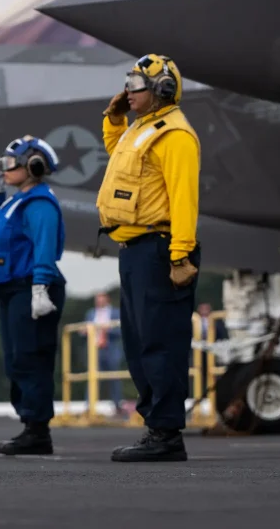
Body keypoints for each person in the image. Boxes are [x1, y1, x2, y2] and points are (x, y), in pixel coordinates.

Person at [96, 53, 201, 463]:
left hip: (161, 251)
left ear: (162, 90)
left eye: (135, 86)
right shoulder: (140, 129)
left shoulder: (175, 135)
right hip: (134, 251)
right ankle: (155, 427)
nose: (128, 92)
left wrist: (180, 256)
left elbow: (184, 199)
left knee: (161, 344)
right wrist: (114, 116)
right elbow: (117, 153)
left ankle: (167, 434)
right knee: (140, 346)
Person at [0, 135, 66, 455]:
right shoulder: (19, 199)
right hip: (14, 289)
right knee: (17, 359)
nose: (4, 168)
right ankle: (30, 425)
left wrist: (40, 287)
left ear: (33, 166)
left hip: (30, 286)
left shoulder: (40, 202)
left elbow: (44, 247)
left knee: (31, 358)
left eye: (11, 163)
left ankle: (37, 429)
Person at [82, 292, 124, 415]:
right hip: (94, 350)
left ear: (107, 300)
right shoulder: (90, 313)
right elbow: (85, 329)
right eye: (97, 300)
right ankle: (89, 406)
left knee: (114, 378)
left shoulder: (115, 312)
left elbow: (121, 331)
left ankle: (117, 405)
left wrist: (107, 329)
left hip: (110, 349)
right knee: (92, 378)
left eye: (101, 299)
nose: (99, 302)